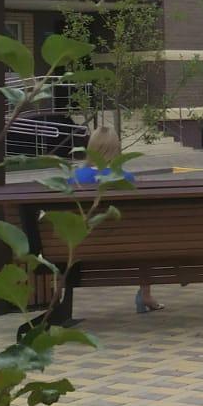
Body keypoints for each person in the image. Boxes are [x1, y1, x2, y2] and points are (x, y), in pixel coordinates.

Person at [69, 128, 162, 314]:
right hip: (126, 245)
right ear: (116, 149)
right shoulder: (125, 178)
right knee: (146, 240)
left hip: (83, 244)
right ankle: (145, 295)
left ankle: (61, 305)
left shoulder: (75, 178)